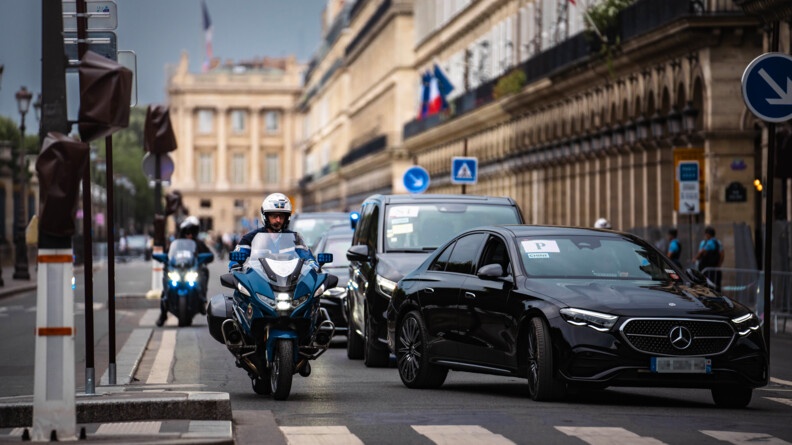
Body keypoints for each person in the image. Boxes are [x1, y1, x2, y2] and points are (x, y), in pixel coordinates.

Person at [229, 193, 317, 270]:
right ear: (266, 216)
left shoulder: (295, 238)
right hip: (259, 282)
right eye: (274, 216)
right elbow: (236, 259)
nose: (278, 220)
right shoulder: (250, 238)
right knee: (240, 287)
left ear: (287, 218)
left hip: (290, 282)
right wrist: (235, 265)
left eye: (281, 216)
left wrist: (313, 265)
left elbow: (308, 258)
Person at [156, 216, 215, 327]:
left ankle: (202, 298)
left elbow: (210, 256)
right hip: (177, 271)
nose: (190, 234)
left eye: (192, 231)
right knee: (166, 287)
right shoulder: (175, 243)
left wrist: (205, 258)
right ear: (182, 232)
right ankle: (163, 315)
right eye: (187, 232)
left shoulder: (198, 243)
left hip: (192, 271)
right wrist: (165, 260)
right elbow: (168, 255)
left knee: (204, 271)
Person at [694, 225, 724, 291]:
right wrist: (719, 265)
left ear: (708, 234)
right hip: (714, 269)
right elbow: (722, 254)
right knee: (716, 287)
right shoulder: (718, 242)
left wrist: (695, 258)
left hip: (708, 269)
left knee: (708, 287)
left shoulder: (709, 242)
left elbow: (702, 251)